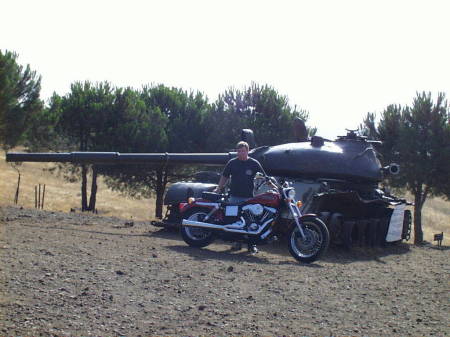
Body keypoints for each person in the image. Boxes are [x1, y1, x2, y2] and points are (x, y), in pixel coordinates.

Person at [214, 141, 266, 253]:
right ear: (236, 151)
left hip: (249, 198)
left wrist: (275, 187)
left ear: (247, 151)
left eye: (243, 151)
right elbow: (224, 177)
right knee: (235, 221)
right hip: (234, 197)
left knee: (251, 221)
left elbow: (264, 177)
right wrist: (218, 188)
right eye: (239, 151)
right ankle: (237, 243)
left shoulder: (254, 163)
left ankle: (252, 245)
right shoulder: (232, 163)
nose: (241, 153)